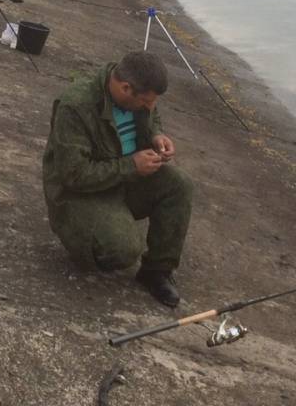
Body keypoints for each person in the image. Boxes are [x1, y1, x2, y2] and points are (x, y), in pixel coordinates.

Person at [42, 51, 193, 307]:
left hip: (125, 177)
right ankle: (84, 238)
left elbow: (151, 116)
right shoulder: (76, 106)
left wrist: (156, 135)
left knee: (179, 186)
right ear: (125, 88)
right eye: (145, 102)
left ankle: (156, 271)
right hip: (82, 192)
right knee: (121, 249)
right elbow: (73, 174)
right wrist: (131, 166)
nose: (150, 107)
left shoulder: (139, 93)